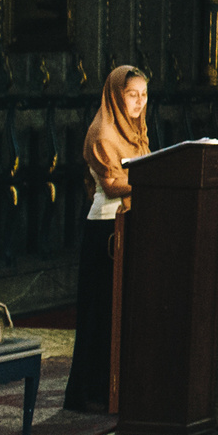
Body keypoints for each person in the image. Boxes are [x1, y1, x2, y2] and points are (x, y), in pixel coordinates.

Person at [69, 66, 150, 414]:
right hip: (105, 229)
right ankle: (91, 392)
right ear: (117, 95)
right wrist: (152, 178)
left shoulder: (136, 130)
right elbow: (112, 185)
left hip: (130, 222)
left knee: (122, 312)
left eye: (144, 95)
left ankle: (118, 387)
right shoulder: (102, 132)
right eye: (132, 95)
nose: (139, 102)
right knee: (100, 314)